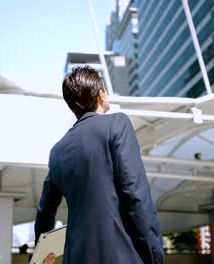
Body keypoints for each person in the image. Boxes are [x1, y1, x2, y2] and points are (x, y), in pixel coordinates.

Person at [35, 66, 164, 263]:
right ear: (101, 95)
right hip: (121, 256)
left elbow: (45, 211)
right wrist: (155, 253)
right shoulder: (117, 124)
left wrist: (41, 254)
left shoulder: (57, 150)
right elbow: (135, 194)